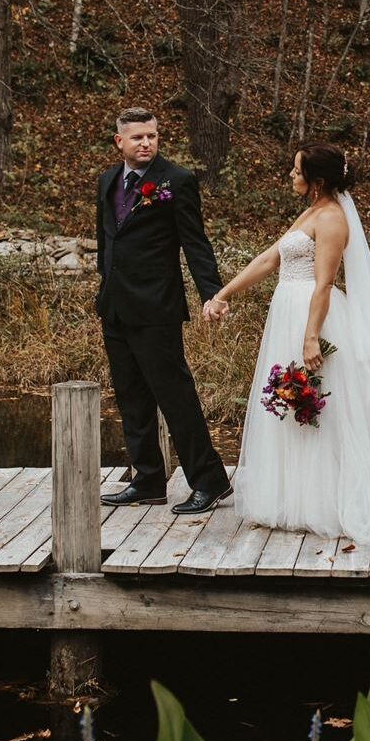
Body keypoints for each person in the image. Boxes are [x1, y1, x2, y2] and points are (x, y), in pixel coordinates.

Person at [206, 142, 370, 544]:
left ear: (316, 182)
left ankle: (331, 502)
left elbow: (325, 283)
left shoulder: (332, 219)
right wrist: (223, 294)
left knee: (322, 408)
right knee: (290, 404)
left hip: (315, 317)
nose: (290, 176)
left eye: (296, 171)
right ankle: (296, 498)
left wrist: (311, 337)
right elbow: (269, 259)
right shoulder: (311, 211)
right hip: (288, 312)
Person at [93, 107, 231, 515]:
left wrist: (212, 293)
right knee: (131, 397)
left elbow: (195, 243)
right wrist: (105, 287)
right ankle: (148, 480)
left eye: (151, 135)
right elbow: (106, 239)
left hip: (157, 308)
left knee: (175, 397)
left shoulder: (177, 181)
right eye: (137, 137)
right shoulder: (107, 181)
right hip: (115, 307)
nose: (146, 143)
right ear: (120, 141)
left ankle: (210, 481)